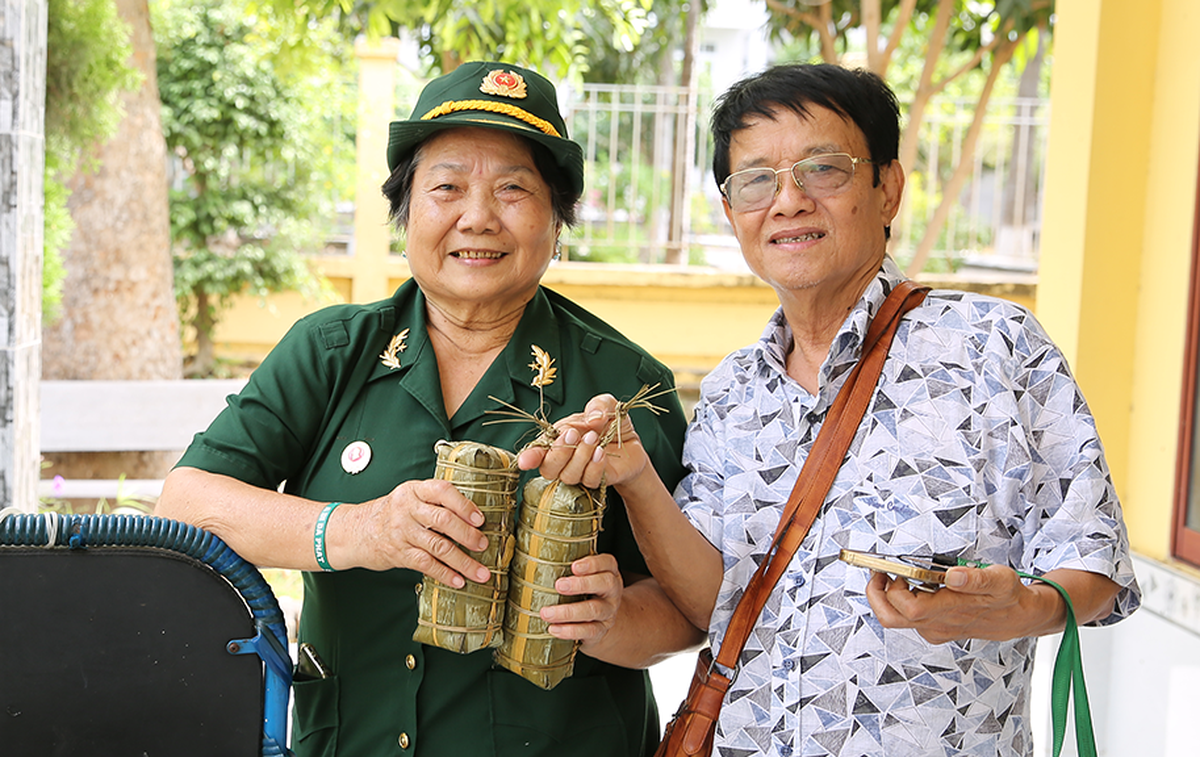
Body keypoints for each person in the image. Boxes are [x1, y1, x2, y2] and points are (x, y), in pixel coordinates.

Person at [523, 63, 1141, 757]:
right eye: (757, 179)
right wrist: (634, 476)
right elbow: (712, 603)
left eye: (823, 168)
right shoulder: (732, 391)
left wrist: (1022, 606)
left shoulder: (995, 348)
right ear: (732, 214)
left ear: (888, 189)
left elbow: (1094, 562)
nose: (787, 201)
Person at [157, 61, 702, 757]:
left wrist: (616, 619)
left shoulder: (621, 385)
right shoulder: (331, 352)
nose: (477, 216)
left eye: (513, 189)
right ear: (407, 210)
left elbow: (690, 607)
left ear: (557, 219)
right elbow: (186, 501)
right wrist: (357, 529)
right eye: (446, 187)